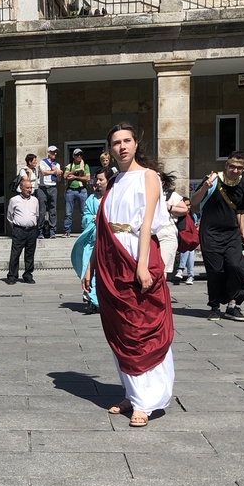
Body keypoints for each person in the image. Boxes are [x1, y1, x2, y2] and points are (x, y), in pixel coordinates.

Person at [82, 123, 173, 429]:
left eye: (127, 141)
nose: (121, 146)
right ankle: (132, 394)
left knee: (140, 327)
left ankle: (147, 402)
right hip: (110, 259)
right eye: (116, 142)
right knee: (120, 329)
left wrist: (143, 264)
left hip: (135, 252)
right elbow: (103, 228)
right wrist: (91, 265)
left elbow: (146, 223)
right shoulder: (113, 182)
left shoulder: (148, 177)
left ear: (136, 144)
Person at [190, 151, 244, 322]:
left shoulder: (243, 183)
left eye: (239, 168)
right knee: (215, 270)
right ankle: (215, 306)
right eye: (232, 166)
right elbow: (194, 202)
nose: (235, 170)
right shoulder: (212, 179)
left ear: (243, 169)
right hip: (210, 232)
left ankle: (233, 304)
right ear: (226, 165)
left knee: (236, 266)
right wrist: (205, 187)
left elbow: (240, 210)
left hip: (231, 233)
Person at [71, 170, 109, 315]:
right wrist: (92, 218)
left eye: (100, 180)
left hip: (107, 243)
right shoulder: (91, 199)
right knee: (88, 270)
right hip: (92, 241)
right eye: (96, 179)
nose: (97, 182)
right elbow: (84, 217)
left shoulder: (113, 198)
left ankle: (104, 300)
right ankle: (90, 300)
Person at [5, 177, 39, 285]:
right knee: (15, 254)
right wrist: (16, 227)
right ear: (21, 188)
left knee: (30, 254)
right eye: (27, 188)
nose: (29, 190)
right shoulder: (14, 200)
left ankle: (28, 275)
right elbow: (9, 216)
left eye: (30, 188)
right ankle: (12, 276)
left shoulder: (35, 200)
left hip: (32, 230)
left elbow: (37, 215)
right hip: (19, 230)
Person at [154, 173, 188, 278]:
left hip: (167, 234)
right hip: (149, 234)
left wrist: (169, 207)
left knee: (162, 268)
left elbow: (184, 209)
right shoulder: (144, 194)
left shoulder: (171, 195)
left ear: (162, 182)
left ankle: (160, 292)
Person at [62, 148, 91, 237]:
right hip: (70, 190)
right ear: (73, 156)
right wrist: (76, 171)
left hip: (82, 190)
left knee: (83, 212)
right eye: (77, 155)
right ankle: (67, 231)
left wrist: (75, 177)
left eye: (80, 155)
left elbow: (87, 178)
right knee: (68, 212)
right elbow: (65, 175)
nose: (79, 156)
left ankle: (84, 230)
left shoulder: (85, 165)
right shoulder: (70, 166)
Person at [37, 145, 62, 238]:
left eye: (55, 152)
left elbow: (58, 179)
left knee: (53, 210)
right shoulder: (42, 163)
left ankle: (52, 230)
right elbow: (43, 172)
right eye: (52, 152)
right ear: (48, 153)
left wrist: (59, 174)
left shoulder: (57, 164)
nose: (54, 154)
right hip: (43, 188)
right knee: (42, 210)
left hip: (53, 187)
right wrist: (55, 171)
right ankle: (40, 230)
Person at [175, 198, 197, 285]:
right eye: (185, 205)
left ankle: (181, 270)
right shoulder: (179, 215)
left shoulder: (193, 216)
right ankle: (190, 276)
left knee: (189, 250)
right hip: (181, 240)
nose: (187, 207)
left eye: (189, 205)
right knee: (188, 249)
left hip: (190, 240)